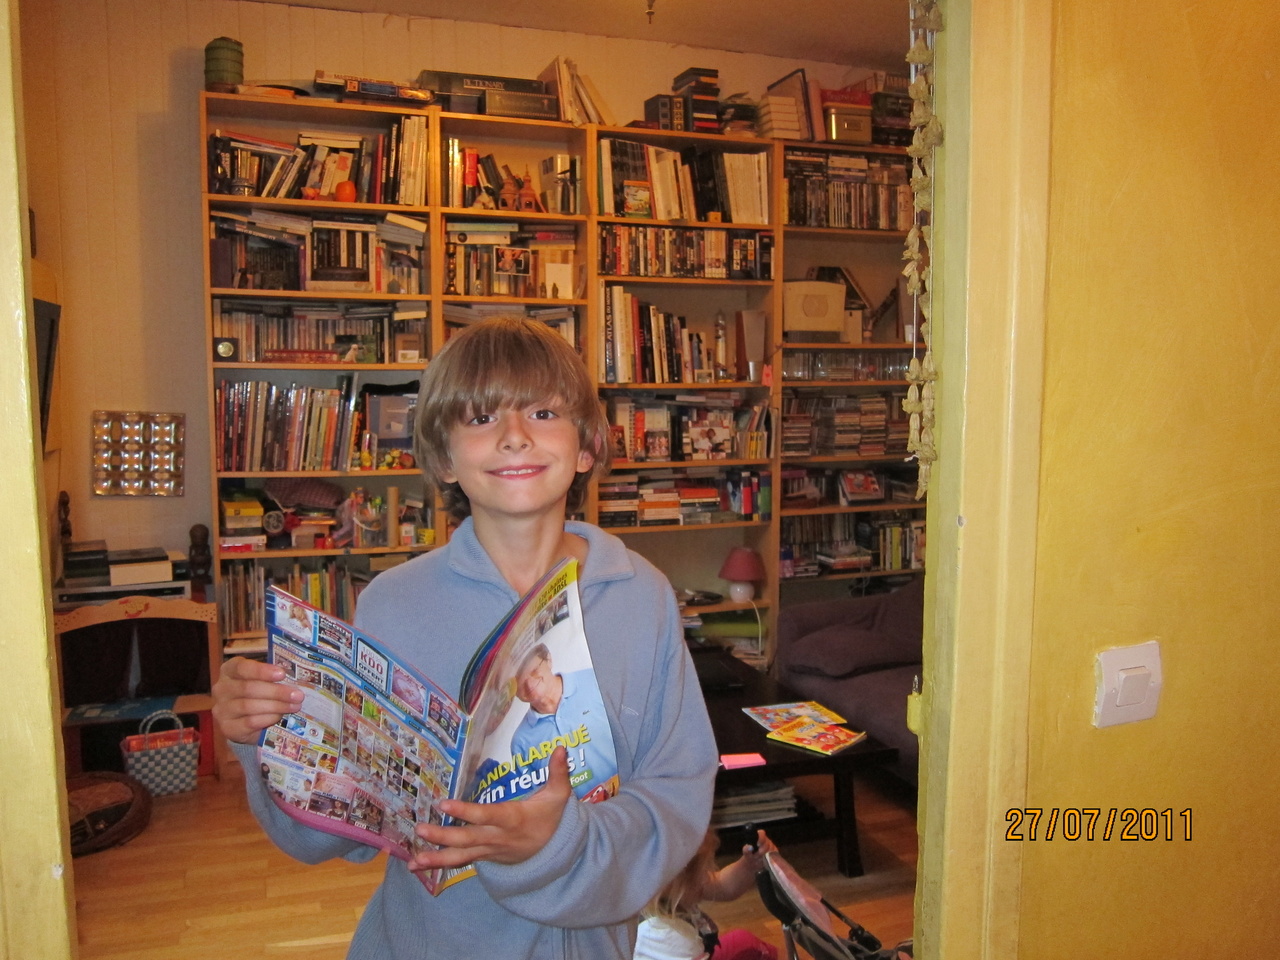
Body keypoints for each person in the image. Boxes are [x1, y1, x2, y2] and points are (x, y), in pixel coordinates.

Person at [213, 316, 718, 960]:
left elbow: (676, 796)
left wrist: (555, 844)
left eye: (542, 412)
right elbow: (331, 831)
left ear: (587, 447)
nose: (514, 436)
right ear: (445, 458)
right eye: (481, 418)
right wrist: (266, 735)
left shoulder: (641, 595)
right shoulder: (393, 603)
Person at [635, 828, 779, 960]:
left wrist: (749, 865)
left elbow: (722, 885)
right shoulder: (664, 936)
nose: (706, 879)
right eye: (702, 871)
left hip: (695, 951)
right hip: (688, 951)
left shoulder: (665, 891)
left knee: (743, 941)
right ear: (675, 881)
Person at [508, 643, 617, 802]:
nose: (529, 684)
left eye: (534, 671)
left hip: (632, 798)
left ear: (549, 660)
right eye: (519, 680)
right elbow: (536, 804)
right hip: (583, 817)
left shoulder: (597, 680)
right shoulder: (520, 742)